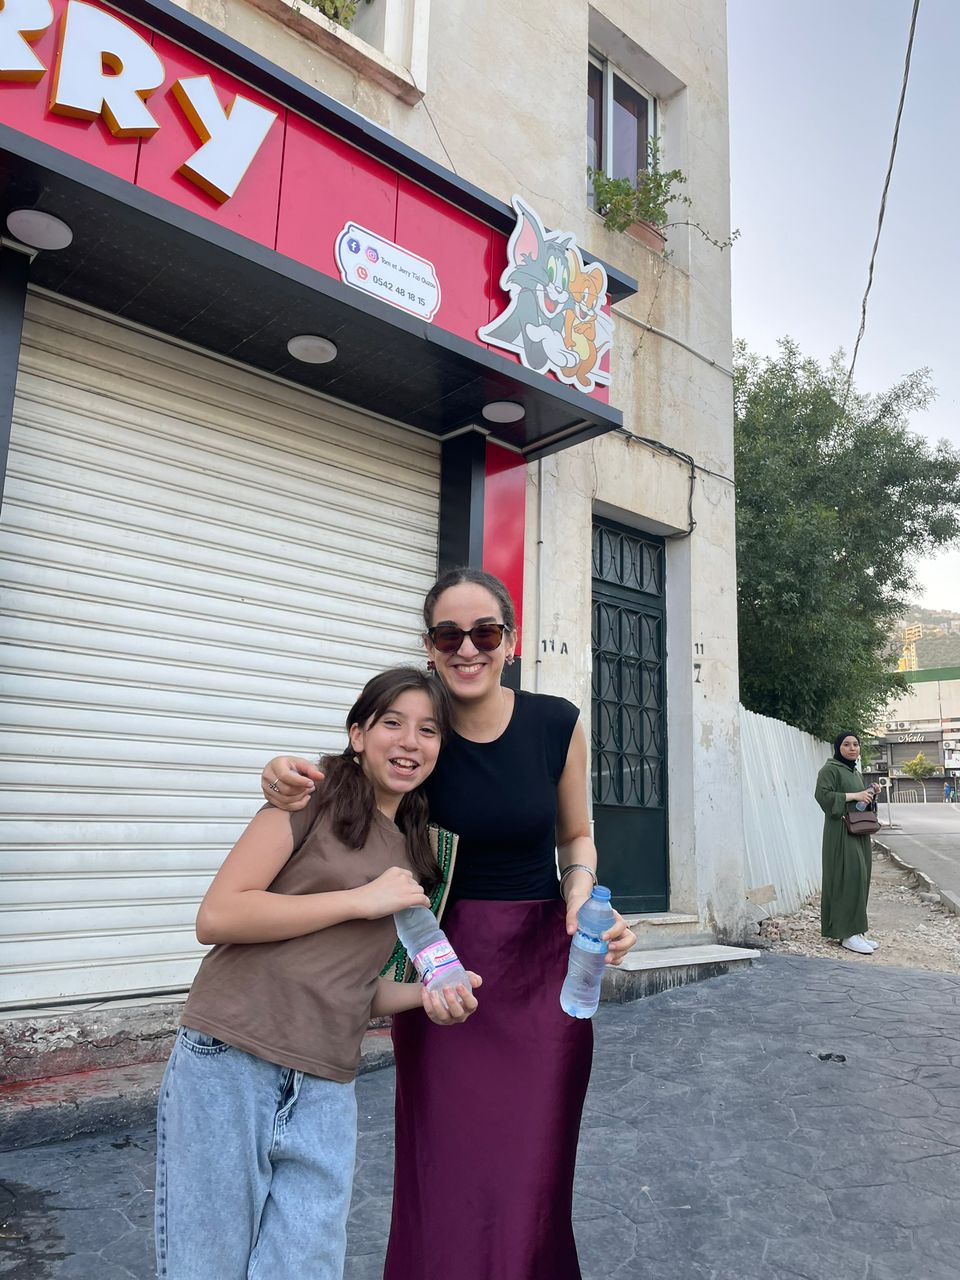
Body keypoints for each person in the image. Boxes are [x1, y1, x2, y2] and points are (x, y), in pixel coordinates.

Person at [261, 567, 637, 1280]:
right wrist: (280, 775)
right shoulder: (418, 734)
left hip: (544, 974)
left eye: (485, 633)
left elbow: (576, 836)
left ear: (510, 641)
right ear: (429, 646)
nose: (468, 649)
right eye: (448, 635)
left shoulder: (556, 724)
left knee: (535, 1171)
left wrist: (583, 896)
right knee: (446, 1167)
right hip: (442, 967)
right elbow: (343, 781)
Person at [154, 667, 480, 1280]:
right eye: (392, 723)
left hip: (327, 1080)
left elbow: (355, 983)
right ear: (358, 734)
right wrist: (358, 900)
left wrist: (431, 994)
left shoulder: (416, 855)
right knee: (208, 1264)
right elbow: (218, 915)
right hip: (232, 1055)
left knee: (305, 1265)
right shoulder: (308, 796)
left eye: (428, 730)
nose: (409, 742)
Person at [815, 731, 879, 956]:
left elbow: (861, 802)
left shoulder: (855, 772)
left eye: (856, 744)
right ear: (838, 748)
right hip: (841, 832)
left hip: (859, 831)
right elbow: (823, 796)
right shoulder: (830, 769)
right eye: (846, 744)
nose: (852, 748)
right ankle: (846, 934)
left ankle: (857, 931)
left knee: (861, 878)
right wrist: (854, 796)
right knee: (847, 878)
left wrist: (870, 793)